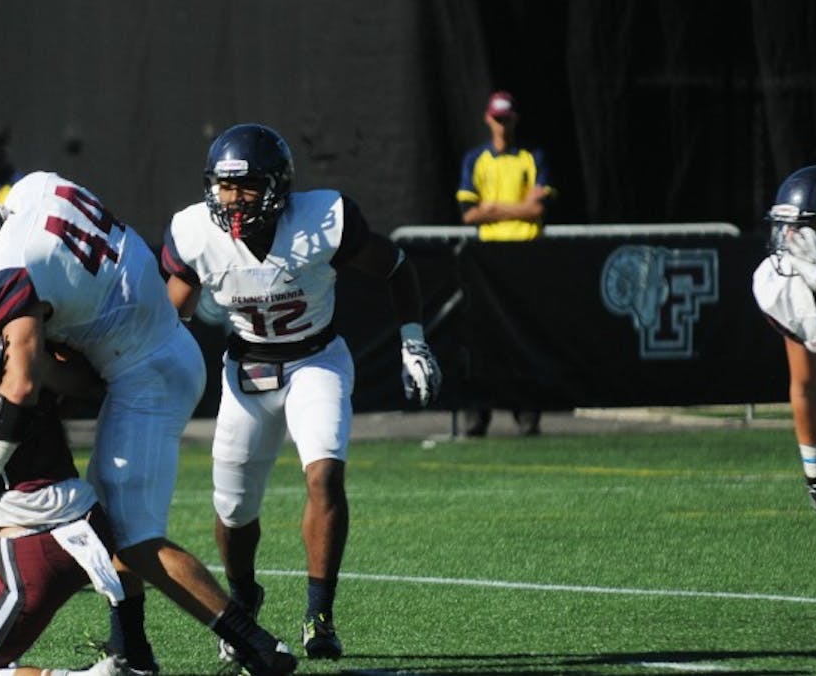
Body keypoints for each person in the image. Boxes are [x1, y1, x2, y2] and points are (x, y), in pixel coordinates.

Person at [0, 179, 300, 676]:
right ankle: (133, 652)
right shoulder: (34, 188)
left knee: (136, 539)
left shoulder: (2, 274)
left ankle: (258, 647)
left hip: (145, 371)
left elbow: (23, 383)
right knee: (112, 520)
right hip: (153, 340)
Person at [160, 124, 439, 660]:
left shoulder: (322, 222)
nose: (233, 199)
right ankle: (242, 598)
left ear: (278, 188)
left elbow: (396, 266)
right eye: (224, 186)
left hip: (316, 360)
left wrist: (413, 340)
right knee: (234, 510)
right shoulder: (196, 233)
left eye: (246, 187)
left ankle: (319, 615)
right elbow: (171, 312)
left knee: (325, 473)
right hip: (246, 370)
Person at [751, 164, 816, 530]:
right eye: (786, 229)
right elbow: (808, 383)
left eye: (806, 231)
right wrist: (815, 472)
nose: (792, 242)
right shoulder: (780, 287)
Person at [454, 90, 553, 437]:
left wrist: (494, 209)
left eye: (507, 118)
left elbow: (537, 209)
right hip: (488, 259)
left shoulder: (531, 156)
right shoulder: (476, 160)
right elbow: (469, 214)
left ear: (515, 119)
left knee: (524, 335)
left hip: (525, 254)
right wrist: (517, 206)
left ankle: (527, 413)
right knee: (484, 337)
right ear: (488, 119)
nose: (502, 125)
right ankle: (478, 414)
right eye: (497, 118)